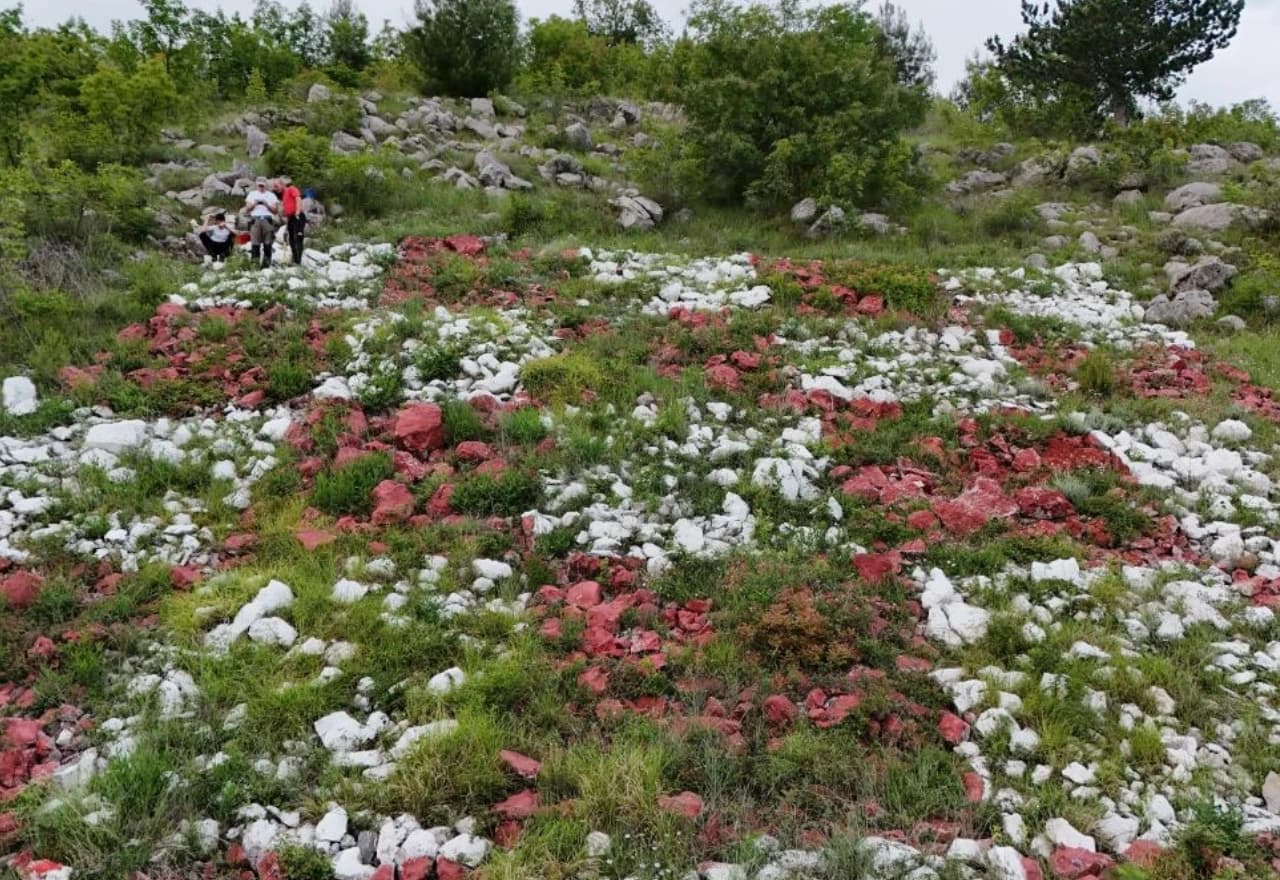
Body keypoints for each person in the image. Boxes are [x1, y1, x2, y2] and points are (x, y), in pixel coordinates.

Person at [244, 176, 281, 268]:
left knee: (267, 243)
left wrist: (266, 204)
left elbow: (276, 211)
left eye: (263, 185)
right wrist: (255, 203)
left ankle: (266, 265)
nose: (261, 187)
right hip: (255, 220)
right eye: (259, 185)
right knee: (255, 243)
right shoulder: (252, 194)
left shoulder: (271, 195)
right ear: (257, 185)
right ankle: (255, 265)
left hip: (267, 220)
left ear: (266, 185)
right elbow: (247, 209)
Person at [280, 176, 306, 265]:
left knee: (297, 238)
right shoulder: (285, 193)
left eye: (281, 182)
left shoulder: (292, 188)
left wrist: (297, 212)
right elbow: (287, 209)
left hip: (296, 216)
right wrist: (287, 224)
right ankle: (295, 259)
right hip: (290, 217)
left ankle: (298, 261)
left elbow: (298, 198)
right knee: (291, 239)